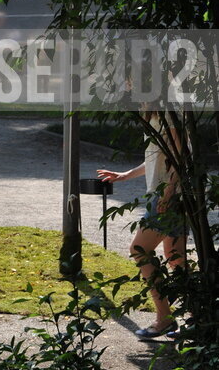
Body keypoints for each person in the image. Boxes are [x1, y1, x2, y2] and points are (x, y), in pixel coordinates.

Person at [97, 111, 187, 339]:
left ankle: (165, 319)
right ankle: (198, 317)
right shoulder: (154, 114)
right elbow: (157, 157)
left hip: (168, 194)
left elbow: (180, 155)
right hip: (170, 193)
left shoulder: (168, 112)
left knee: (139, 250)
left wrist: (167, 195)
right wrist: (125, 175)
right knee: (175, 256)